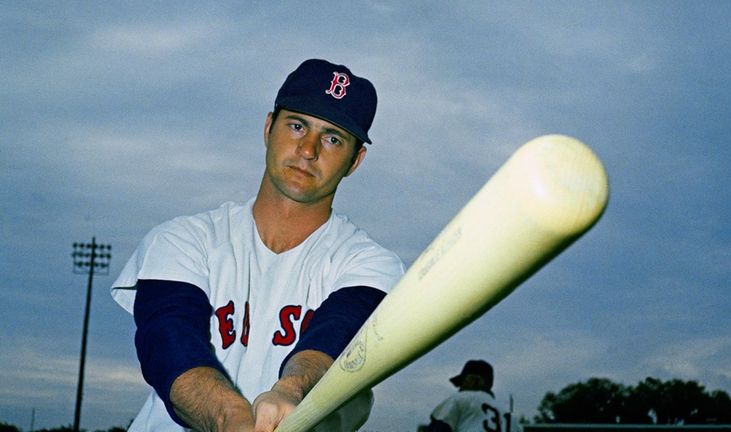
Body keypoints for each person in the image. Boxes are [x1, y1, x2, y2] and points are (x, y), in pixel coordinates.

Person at [111, 59, 405, 432]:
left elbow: (340, 335)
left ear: (354, 160)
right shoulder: (184, 239)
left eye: (333, 138)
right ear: (269, 128)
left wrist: (292, 390)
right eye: (297, 125)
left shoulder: (372, 265)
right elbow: (169, 339)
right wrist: (228, 417)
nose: (309, 149)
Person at [426, 360, 520, 432]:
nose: (460, 387)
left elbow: (438, 428)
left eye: (463, 382)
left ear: (476, 380)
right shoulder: (510, 416)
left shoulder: (461, 399)